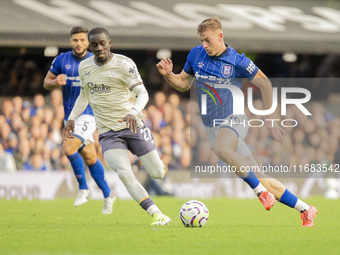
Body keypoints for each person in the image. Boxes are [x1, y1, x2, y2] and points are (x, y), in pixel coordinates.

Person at [156, 17, 318, 227]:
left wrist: (270, 116)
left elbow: (266, 84)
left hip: (234, 118)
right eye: (202, 40)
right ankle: (305, 209)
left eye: (208, 40)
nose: (204, 45)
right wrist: (169, 75)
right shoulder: (196, 55)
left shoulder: (238, 61)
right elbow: (184, 84)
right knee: (261, 177)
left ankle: (259, 193)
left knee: (223, 150)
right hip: (212, 126)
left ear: (220, 36)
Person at [65, 27, 171, 226]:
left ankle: (158, 163)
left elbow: (143, 93)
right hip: (107, 133)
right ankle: (156, 214)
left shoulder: (124, 64)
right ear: (90, 46)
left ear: (109, 43)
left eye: (102, 43)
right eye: (94, 45)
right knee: (124, 173)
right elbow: (83, 96)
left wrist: (132, 112)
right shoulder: (85, 67)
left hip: (133, 126)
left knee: (157, 173)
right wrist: (72, 118)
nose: (99, 48)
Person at [43, 26, 115, 214]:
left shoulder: (96, 60)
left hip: (90, 114)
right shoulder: (61, 60)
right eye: (75, 40)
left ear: (88, 42)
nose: (79, 43)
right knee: (90, 157)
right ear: (70, 42)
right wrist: (55, 82)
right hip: (71, 117)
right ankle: (108, 194)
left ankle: (83, 188)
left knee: (68, 148)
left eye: (83, 40)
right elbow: (46, 82)